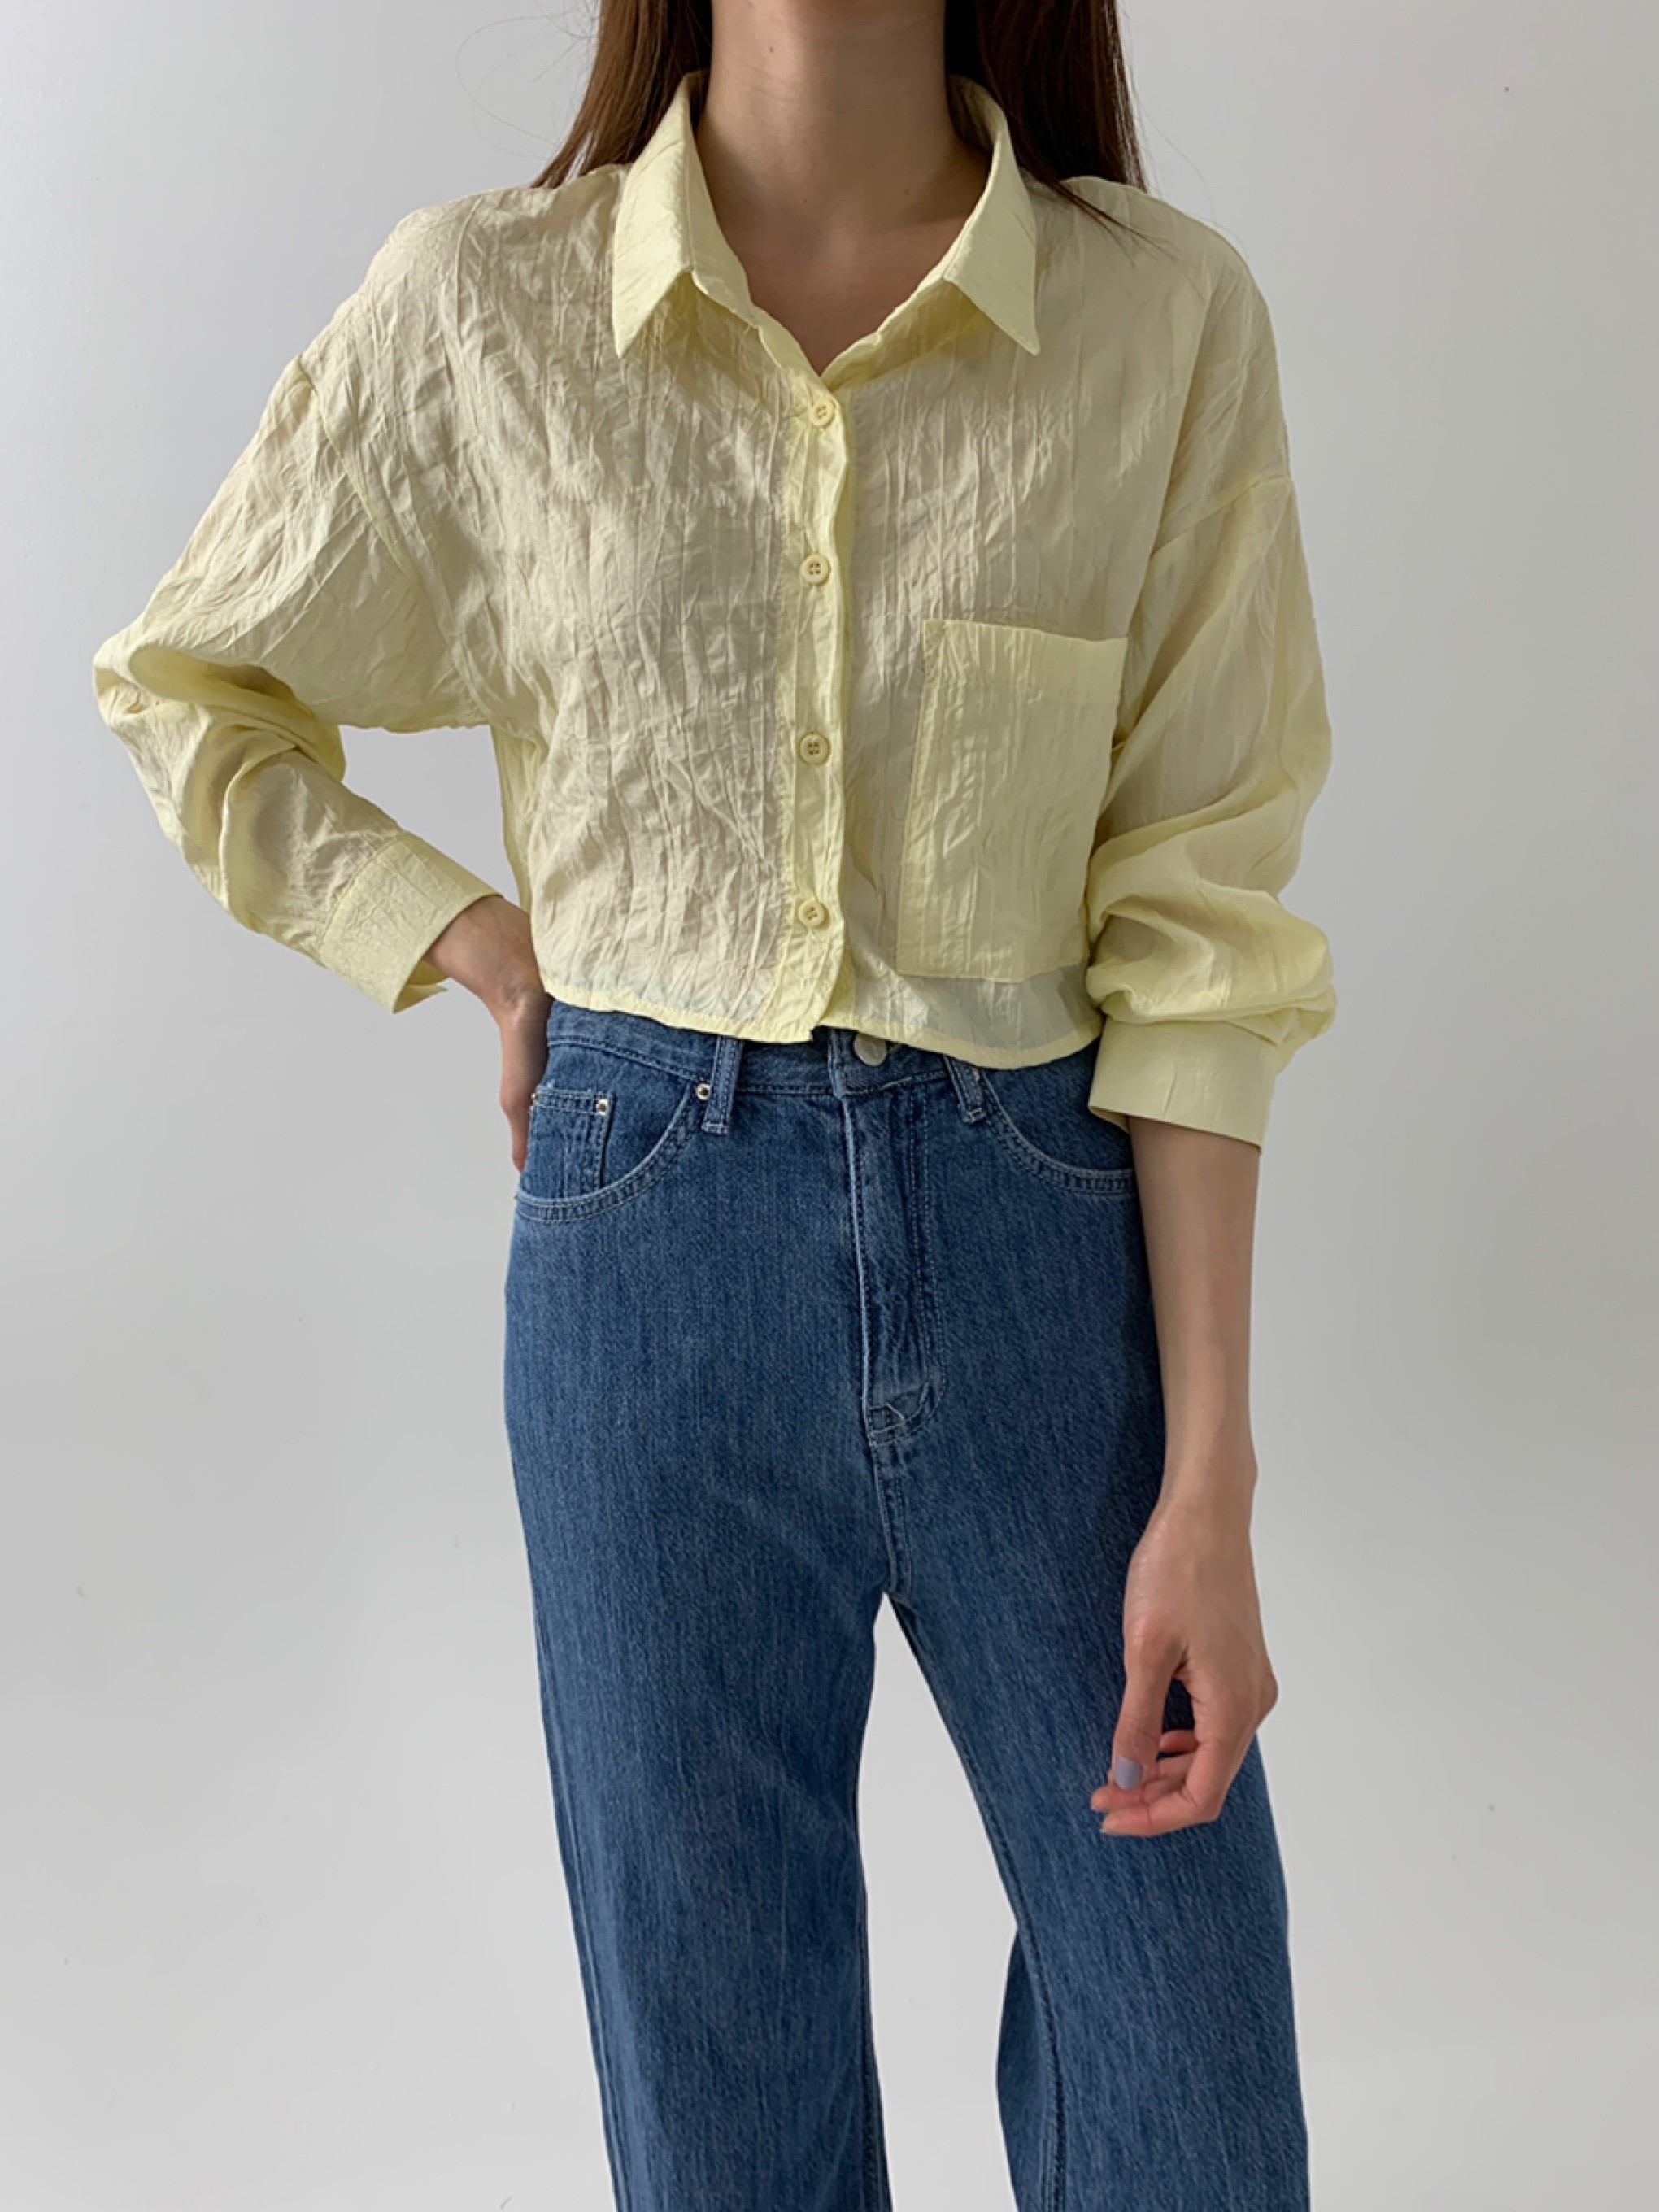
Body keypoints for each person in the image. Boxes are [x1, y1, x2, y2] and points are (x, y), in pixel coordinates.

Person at [89, 3, 1338, 2205]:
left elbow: (1202, 925)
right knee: (722, 2091)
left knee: (1190, 2071)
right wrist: (463, 935)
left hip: (1048, 1253)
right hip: (647, 1257)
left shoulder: (1157, 319)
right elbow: (194, 685)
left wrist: (1211, 1480)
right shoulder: (485, 309)